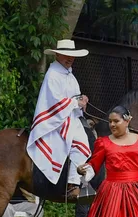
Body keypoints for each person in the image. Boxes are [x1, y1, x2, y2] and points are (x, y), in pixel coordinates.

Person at [27, 39, 91, 199]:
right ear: (57, 54)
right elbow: (54, 102)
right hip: (55, 119)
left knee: (84, 134)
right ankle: (73, 183)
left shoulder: (70, 75)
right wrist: (75, 102)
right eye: (66, 55)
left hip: (67, 117)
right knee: (81, 142)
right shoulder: (53, 74)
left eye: (72, 56)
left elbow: (72, 99)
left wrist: (81, 101)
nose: (69, 58)